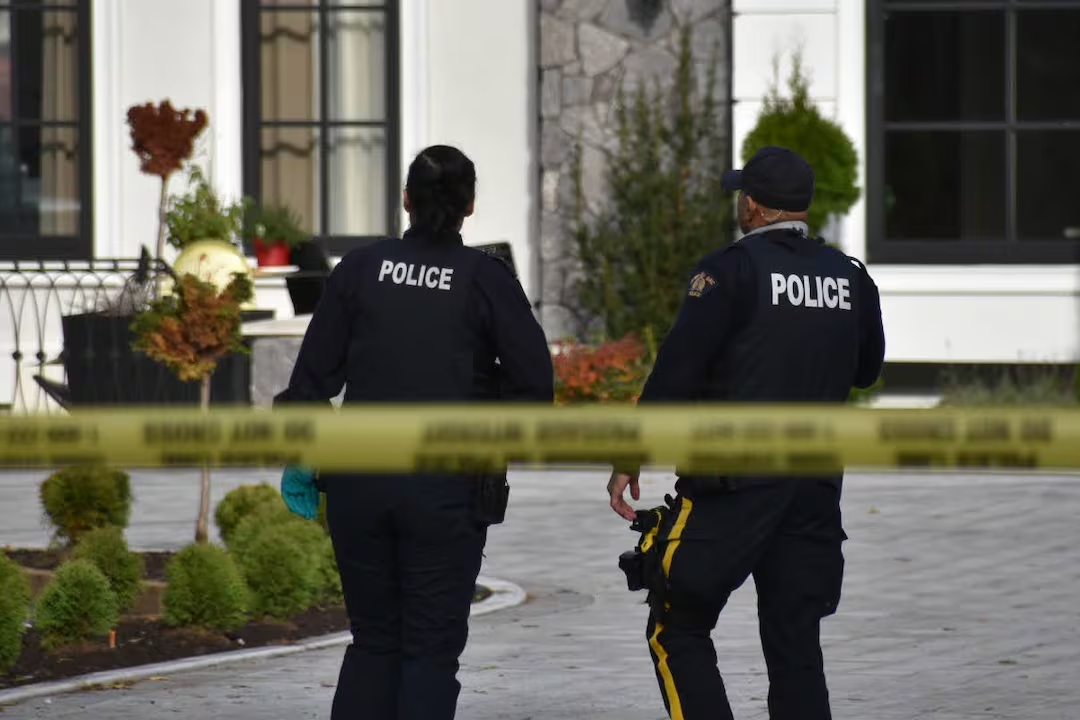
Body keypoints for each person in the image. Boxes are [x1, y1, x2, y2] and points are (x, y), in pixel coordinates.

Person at [273, 144, 555, 720]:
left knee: (375, 642)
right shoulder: (486, 279)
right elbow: (534, 389)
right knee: (429, 651)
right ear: (469, 207)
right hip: (446, 489)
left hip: (359, 483)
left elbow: (309, 385)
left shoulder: (359, 269)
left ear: (405, 199)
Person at [608, 145, 886, 720]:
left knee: (675, 624)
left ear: (754, 207)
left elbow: (676, 373)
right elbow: (866, 371)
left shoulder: (728, 272)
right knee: (796, 646)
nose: (740, 202)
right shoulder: (851, 279)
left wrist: (629, 456)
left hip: (732, 489)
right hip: (813, 490)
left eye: (742, 194)